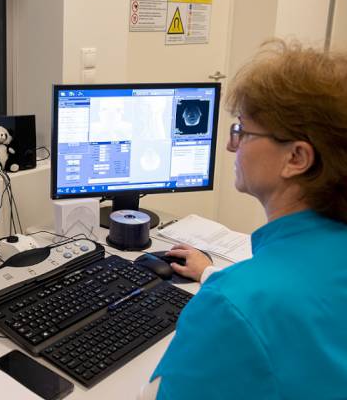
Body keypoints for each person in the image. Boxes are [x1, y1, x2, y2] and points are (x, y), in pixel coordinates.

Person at [146, 39, 347, 399]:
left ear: (296, 158)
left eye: (243, 131)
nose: (231, 146)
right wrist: (211, 274)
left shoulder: (230, 304)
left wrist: (227, 293)